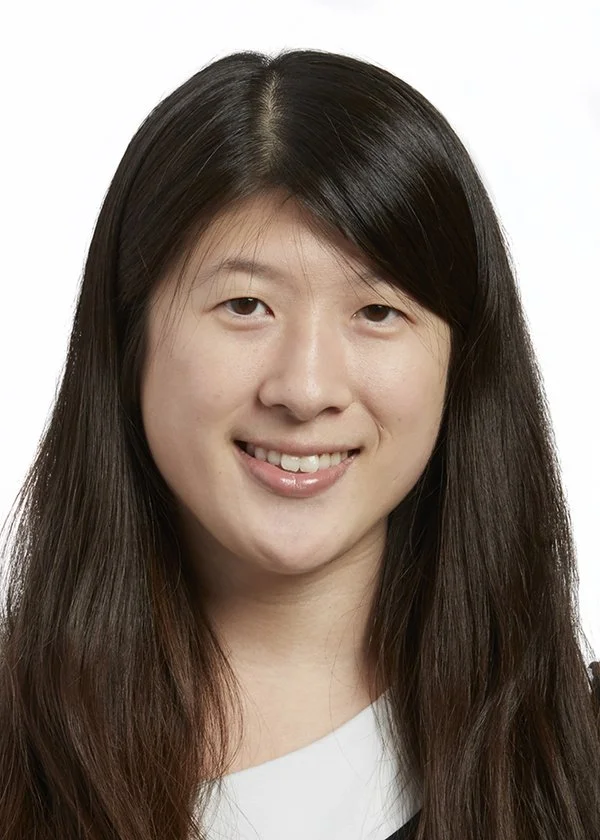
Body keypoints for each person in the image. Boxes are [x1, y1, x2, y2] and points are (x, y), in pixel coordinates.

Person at [0, 48, 598, 840]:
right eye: (246, 304)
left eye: (377, 312)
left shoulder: (577, 754)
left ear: (462, 362)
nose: (306, 388)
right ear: (129, 338)